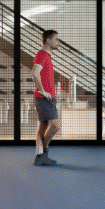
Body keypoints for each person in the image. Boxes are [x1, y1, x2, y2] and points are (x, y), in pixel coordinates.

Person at [32, 30, 61, 166]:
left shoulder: (46, 56)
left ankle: (40, 156)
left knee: (43, 126)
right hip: (44, 98)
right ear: (48, 41)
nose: (59, 42)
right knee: (55, 126)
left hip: (44, 98)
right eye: (56, 39)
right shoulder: (42, 55)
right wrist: (43, 91)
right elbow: (35, 73)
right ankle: (44, 150)